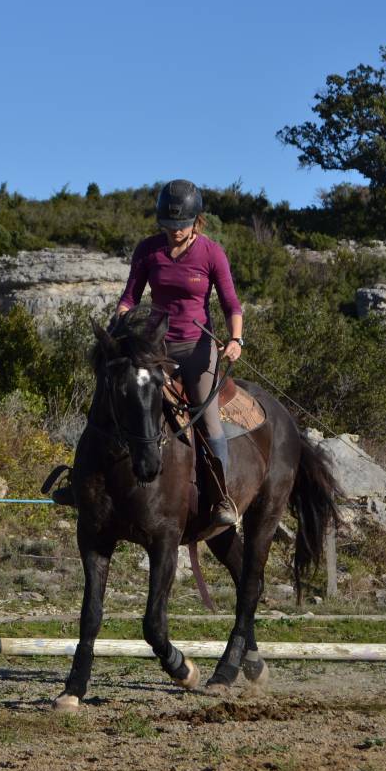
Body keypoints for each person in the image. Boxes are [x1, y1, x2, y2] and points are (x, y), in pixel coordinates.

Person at [115, 179, 244, 526]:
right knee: (125, 399)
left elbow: (232, 304)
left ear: (196, 221)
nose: (174, 231)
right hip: (157, 350)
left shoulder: (211, 253)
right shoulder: (147, 250)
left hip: (199, 348)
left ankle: (221, 497)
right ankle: (97, 482)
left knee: (209, 420)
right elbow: (130, 297)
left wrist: (235, 340)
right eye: (168, 225)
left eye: (181, 225)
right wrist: (122, 319)